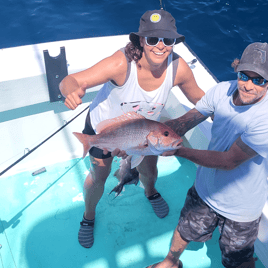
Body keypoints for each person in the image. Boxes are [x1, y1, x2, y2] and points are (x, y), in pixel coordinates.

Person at [59, 9, 204, 249]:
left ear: (174, 42)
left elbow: (201, 98)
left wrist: (236, 108)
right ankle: (88, 216)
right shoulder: (121, 63)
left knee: (150, 169)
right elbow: (70, 80)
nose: (160, 46)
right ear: (140, 40)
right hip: (104, 130)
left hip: (147, 134)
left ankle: (150, 192)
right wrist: (71, 91)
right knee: (99, 177)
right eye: (153, 39)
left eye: (167, 40)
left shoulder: (179, 68)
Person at [147, 42, 268, 268]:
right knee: (185, 229)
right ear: (237, 70)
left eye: (259, 80)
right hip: (205, 189)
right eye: (244, 76)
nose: (248, 85)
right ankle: (170, 262)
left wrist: (179, 150)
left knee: (239, 259)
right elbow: (186, 121)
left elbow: (229, 161)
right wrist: (146, 134)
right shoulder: (221, 90)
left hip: (241, 207)